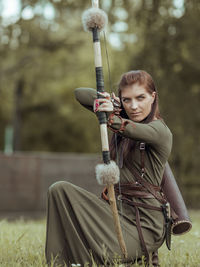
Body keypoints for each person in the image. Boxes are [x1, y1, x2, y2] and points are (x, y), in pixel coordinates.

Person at [45, 70, 173, 266]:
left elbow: (133, 129)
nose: (134, 106)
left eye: (140, 98)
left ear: (153, 97)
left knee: (110, 252)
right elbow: (80, 94)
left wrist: (111, 117)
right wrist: (110, 104)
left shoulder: (159, 130)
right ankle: (58, 263)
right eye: (127, 100)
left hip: (144, 228)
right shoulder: (123, 115)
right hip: (117, 214)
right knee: (59, 190)